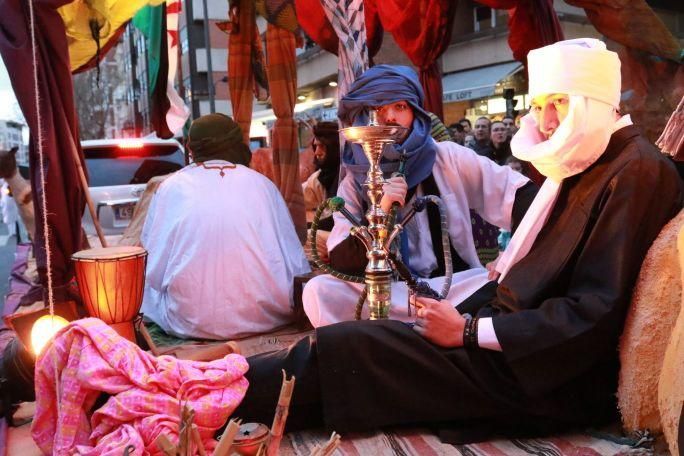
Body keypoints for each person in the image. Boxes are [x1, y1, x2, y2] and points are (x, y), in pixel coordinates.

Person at [230, 39, 683, 441]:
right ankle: (213, 385)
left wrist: (469, 328)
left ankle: (215, 390)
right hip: (508, 328)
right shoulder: (593, 160)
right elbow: (344, 263)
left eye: (560, 103)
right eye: (541, 103)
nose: (545, 122)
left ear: (595, 101)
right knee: (338, 319)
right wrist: (381, 212)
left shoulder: (634, 171)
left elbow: (589, 309)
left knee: (355, 350)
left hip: (539, 369)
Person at [302, 65, 536, 327]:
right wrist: (380, 212)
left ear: (415, 112)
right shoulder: (354, 181)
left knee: (504, 281)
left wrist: (510, 256)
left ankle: (401, 334)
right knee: (319, 291)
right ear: (361, 119)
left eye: (400, 106)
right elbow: (343, 262)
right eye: (378, 109)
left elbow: (524, 198)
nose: (390, 117)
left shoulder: (449, 157)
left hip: (450, 288)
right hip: (389, 294)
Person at [141, 113, 310, 340]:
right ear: (237, 144)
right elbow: (296, 264)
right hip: (265, 316)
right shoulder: (263, 184)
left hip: (189, 321)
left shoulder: (171, 187)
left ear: (191, 149)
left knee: (144, 290)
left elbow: (153, 271)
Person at [302, 121, 341, 261]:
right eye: (315, 146)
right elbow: (299, 198)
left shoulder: (346, 176)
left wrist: (305, 226)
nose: (317, 152)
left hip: (348, 237)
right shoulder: (320, 176)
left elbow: (338, 220)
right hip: (330, 234)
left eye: (322, 146)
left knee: (305, 237)